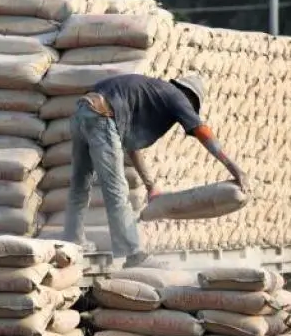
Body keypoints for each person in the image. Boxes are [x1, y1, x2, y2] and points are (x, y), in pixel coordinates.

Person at [63, 73, 247, 267]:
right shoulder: (177, 97)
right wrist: (234, 168)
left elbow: (131, 147)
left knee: (80, 182)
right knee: (116, 188)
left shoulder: (148, 93)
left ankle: (72, 237)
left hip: (82, 111)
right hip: (102, 116)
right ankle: (133, 254)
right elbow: (201, 130)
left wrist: (150, 186)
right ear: (191, 97)